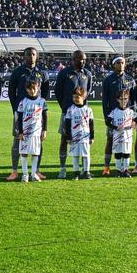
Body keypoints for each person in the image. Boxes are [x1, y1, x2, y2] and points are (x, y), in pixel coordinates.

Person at [7, 47, 49, 182]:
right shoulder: (17, 72)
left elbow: (45, 92)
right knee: (17, 140)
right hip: (21, 112)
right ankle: (15, 171)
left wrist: (40, 107)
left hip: (37, 114)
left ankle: (36, 170)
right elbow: (11, 92)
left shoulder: (42, 73)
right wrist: (16, 109)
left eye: (33, 54)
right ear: (24, 57)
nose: (31, 56)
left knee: (39, 140)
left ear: (37, 56)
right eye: (28, 55)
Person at [55, 50, 94, 179]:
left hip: (83, 114)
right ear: (73, 59)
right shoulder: (64, 73)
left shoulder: (87, 74)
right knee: (64, 139)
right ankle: (62, 168)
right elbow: (58, 92)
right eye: (79, 59)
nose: (82, 61)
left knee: (84, 140)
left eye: (84, 59)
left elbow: (87, 91)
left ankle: (84, 170)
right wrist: (65, 107)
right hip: (68, 113)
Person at [101, 57, 135, 176]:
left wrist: (134, 117)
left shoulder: (130, 79)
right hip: (113, 116)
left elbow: (133, 99)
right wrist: (106, 116)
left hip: (127, 117)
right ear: (113, 65)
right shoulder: (108, 80)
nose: (121, 65)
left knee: (126, 141)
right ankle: (107, 167)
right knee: (110, 140)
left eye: (122, 63)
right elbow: (105, 100)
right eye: (118, 63)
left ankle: (125, 168)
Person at [14, 79, 48, 183]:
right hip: (25, 132)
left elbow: (45, 116)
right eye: (30, 89)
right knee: (24, 153)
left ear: (38, 88)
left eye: (34, 88)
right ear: (27, 89)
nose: (32, 91)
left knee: (35, 153)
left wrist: (44, 130)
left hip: (37, 132)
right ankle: (25, 174)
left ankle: (33, 174)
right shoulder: (23, 102)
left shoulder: (42, 101)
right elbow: (19, 118)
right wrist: (20, 132)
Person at [62, 86, 95, 180]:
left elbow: (91, 124)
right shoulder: (70, 109)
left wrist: (92, 137)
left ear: (83, 97)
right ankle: (76, 172)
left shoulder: (88, 110)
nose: (75, 99)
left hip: (85, 136)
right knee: (75, 155)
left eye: (77, 97)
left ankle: (86, 171)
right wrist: (68, 137)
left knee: (86, 154)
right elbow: (67, 124)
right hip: (74, 136)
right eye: (73, 97)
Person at [106, 89, 137, 177]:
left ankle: (126, 170)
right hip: (117, 135)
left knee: (126, 153)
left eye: (125, 99)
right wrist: (116, 127)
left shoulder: (130, 112)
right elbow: (107, 122)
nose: (123, 101)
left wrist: (135, 123)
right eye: (121, 99)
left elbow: (136, 120)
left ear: (128, 99)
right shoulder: (114, 111)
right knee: (118, 153)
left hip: (127, 135)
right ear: (117, 99)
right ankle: (118, 170)